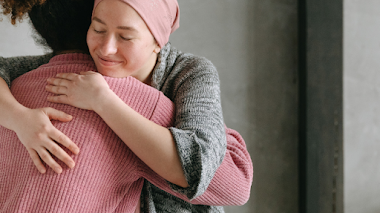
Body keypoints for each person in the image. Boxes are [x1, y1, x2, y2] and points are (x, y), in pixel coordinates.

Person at [0, 0, 253, 212]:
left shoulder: (188, 73)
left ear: (158, 41)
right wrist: (20, 118)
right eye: (98, 29)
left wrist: (104, 102)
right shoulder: (74, 70)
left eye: (125, 36)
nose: (107, 49)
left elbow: (208, 171)